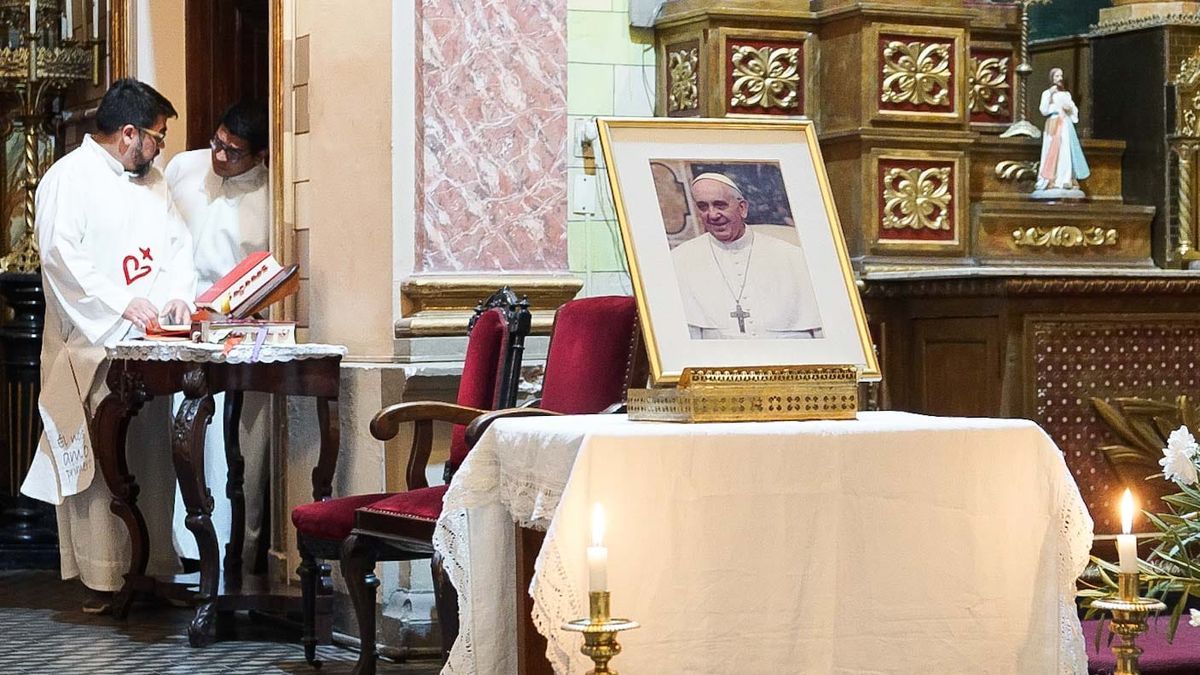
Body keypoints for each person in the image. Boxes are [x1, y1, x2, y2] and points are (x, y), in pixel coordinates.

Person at [21, 79, 196, 611]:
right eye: (157, 137)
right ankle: (105, 579)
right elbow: (58, 255)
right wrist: (119, 304)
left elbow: (177, 247)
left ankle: (154, 567)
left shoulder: (156, 183)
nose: (161, 148)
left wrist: (175, 300)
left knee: (152, 460)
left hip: (149, 344)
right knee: (101, 463)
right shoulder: (66, 179)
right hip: (90, 345)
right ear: (128, 134)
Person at [165, 100, 270, 576]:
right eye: (217, 142)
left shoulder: (270, 194)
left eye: (234, 151)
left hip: (239, 329)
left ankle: (235, 558)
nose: (220, 156)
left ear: (259, 155)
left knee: (234, 451)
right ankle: (185, 553)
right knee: (183, 436)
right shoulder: (184, 168)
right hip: (180, 321)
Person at [671, 172, 823, 340]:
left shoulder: (793, 257)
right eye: (703, 207)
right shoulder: (679, 260)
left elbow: (821, 332)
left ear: (742, 208)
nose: (712, 214)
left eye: (720, 205)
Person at [1035, 67, 1090, 196]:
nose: (1059, 79)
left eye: (1061, 76)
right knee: (1052, 150)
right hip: (1054, 124)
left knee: (1065, 151)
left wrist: (1069, 108)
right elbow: (1043, 109)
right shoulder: (1047, 93)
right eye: (1057, 76)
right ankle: (1051, 179)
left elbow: (1073, 109)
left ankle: (1065, 178)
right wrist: (1051, 96)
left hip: (1065, 125)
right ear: (1052, 79)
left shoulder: (1066, 94)